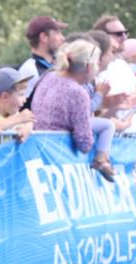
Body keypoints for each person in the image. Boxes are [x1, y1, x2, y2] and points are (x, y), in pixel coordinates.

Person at [31, 39, 117, 181]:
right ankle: (101, 160)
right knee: (108, 125)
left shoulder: (48, 76)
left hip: (38, 145)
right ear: (89, 67)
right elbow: (84, 144)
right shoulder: (77, 92)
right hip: (57, 155)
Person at [20, 15, 67, 104]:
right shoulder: (30, 70)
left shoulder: (57, 66)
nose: (62, 38)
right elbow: (24, 109)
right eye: (57, 33)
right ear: (43, 37)